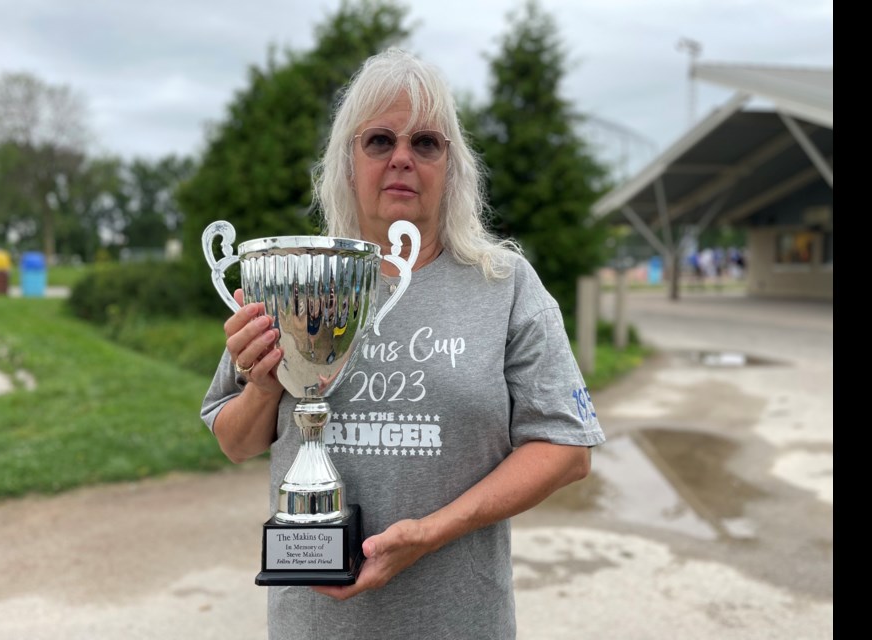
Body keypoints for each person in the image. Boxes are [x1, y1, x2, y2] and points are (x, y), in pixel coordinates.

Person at [201, 48, 605, 639]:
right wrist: (264, 383)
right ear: (347, 162)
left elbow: (567, 448)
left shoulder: (504, 283)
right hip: (316, 625)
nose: (402, 159)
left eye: (426, 143)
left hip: (459, 620)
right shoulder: (297, 274)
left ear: (454, 165)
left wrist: (431, 532)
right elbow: (235, 442)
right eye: (379, 141)